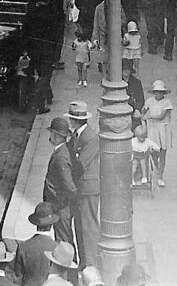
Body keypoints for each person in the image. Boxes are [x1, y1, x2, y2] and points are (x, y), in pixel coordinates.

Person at [66, 100, 100, 269]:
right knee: (80, 226)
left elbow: (80, 165)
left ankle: (90, 264)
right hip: (82, 188)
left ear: (74, 120)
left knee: (88, 228)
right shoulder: (77, 135)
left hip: (88, 189)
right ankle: (84, 262)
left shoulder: (90, 137)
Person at [42, 116, 76, 248]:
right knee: (63, 238)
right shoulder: (61, 151)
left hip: (60, 207)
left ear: (56, 135)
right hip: (59, 206)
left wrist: (61, 204)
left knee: (63, 241)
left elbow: (69, 186)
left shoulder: (61, 157)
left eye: (51, 133)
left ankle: (68, 267)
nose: (50, 135)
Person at [13, 202, 58, 286]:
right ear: (51, 224)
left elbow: (17, 278)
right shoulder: (56, 247)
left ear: (36, 224)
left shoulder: (23, 246)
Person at [142, 79, 173, 186]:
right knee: (153, 152)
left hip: (163, 129)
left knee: (163, 153)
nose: (159, 94)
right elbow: (144, 112)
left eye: (161, 92)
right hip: (152, 129)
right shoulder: (149, 101)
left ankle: (160, 176)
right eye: (157, 92)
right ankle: (156, 170)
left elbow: (161, 116)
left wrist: (149, 116)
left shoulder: (167, 102)